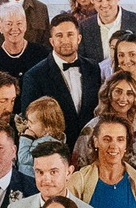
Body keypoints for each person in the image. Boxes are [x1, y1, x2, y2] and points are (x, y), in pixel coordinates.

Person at [19, 13, 100, 146]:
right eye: (59, 36)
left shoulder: (93, 68)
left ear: (79, 38)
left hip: (90, 147)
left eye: (70, 35)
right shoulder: (34, 76)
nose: (65, 40)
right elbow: (29, 122)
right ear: (51, 41)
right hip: (54, 150)